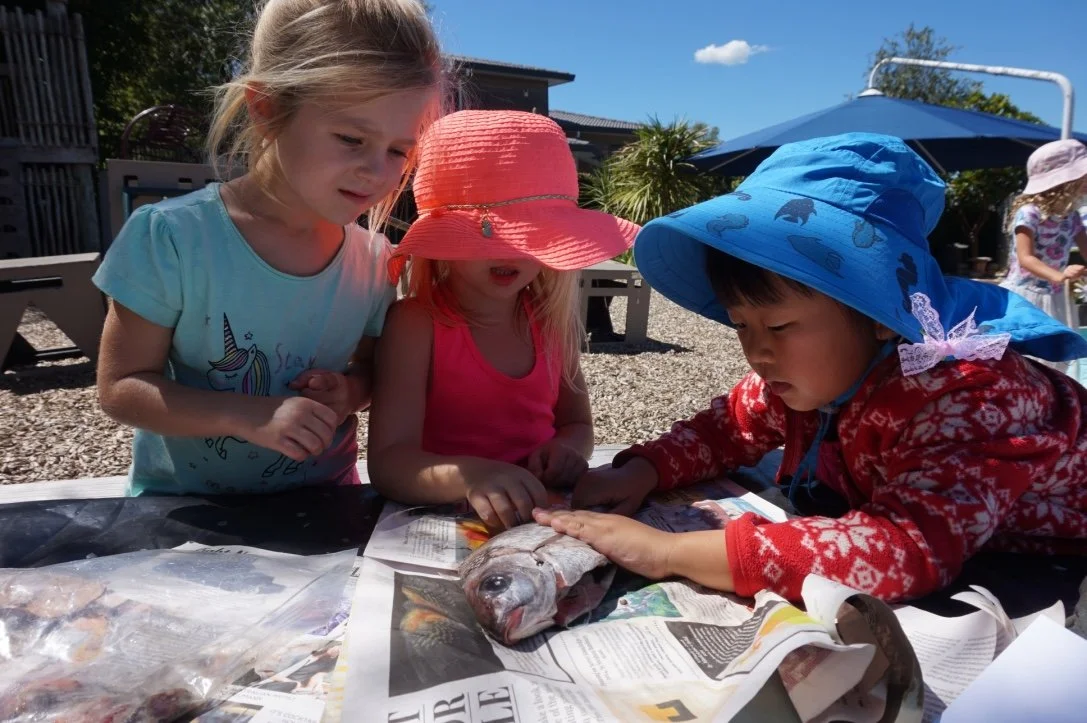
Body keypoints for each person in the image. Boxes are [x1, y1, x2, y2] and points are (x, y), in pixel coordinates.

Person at [533, 132, 1087, 603]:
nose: (757, 351)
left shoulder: (968, 397)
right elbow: (727, 426)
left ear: (880, 317)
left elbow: (907, 547)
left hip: (1051, 547)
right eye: (741, 325)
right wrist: (643, 471)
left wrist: (672, 551)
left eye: (777, 327)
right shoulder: (802, 375)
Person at [92, 0, 444, 495]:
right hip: (186, 516)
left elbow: (371, 373)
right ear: (267, 107)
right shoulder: (172, 237)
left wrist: (348, 392)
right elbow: (121, 387)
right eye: (350, 138)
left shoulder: (373, 259)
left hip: (323, 506)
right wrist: (247, 414)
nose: (379, 172)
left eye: (398, 151)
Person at [366, 110, 639, 530]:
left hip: (540, 517)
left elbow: (577, 423)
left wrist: (568, 448)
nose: (509, 252)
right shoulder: (417, 323)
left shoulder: (549, 320)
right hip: (443, 513)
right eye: (489, 235)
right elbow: (389, 463)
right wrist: (471, 477)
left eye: (532, 235)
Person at [1000, 139, 1087, 373]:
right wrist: (1059, 275)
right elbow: (1026, 258)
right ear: (1064, 180)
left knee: (1055, 360)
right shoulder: (1029, 213)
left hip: (1055, 296)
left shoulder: (1072, 217)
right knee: (1025, 357)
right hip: (1026, 296)